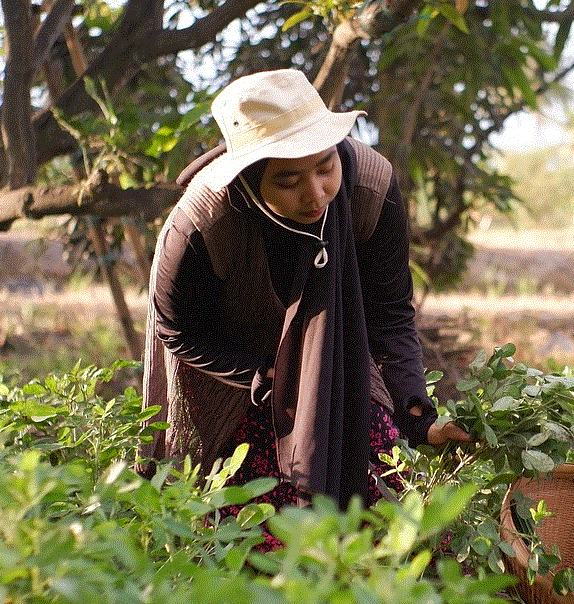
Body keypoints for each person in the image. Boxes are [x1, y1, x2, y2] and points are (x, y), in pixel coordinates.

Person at [141, 68, 469, 547]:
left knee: (387, 526)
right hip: (237, 369)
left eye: (325, 167)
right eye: (289, 180)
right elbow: (179, 329)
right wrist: (263, 376)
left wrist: (418, 416)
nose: (315, 194)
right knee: (261, 535)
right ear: (251, 181)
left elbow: (390, 313)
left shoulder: (370, 188)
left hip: (336, 347)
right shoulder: (202, 224)